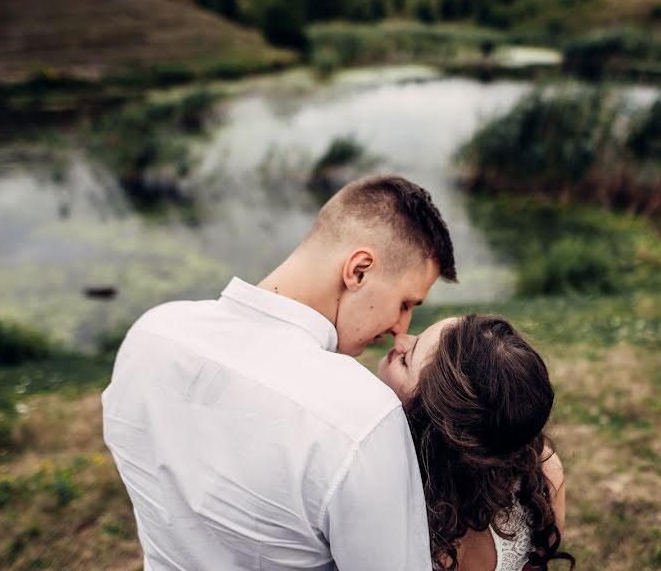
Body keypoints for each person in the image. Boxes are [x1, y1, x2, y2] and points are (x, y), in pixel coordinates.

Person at [102, 175, 457, 571]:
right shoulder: (361, 415)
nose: (400, 327)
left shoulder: (151, 335)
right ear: (358, 270)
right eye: (406, 302)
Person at [378, 314, 575, 571]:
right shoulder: (543, 474)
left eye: (405, 361)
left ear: (429, 423)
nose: (401, 338)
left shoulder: (388, 502)